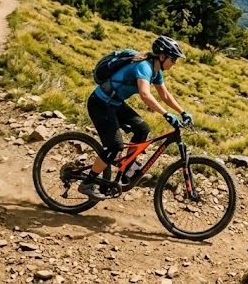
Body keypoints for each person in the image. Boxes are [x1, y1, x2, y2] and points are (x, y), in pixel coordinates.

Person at [78, 35, 192, 201]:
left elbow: (165, 95)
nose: (174, 63)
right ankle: (87, 183)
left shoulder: (156, 70)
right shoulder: (144, 67)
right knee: (115, 146)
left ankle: (126, 169)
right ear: (162, 56)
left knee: (142, 129)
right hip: (100, 103)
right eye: (173, 59)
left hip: (114, 103)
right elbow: (145, 94)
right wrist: (166, 114)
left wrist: (182, 112)